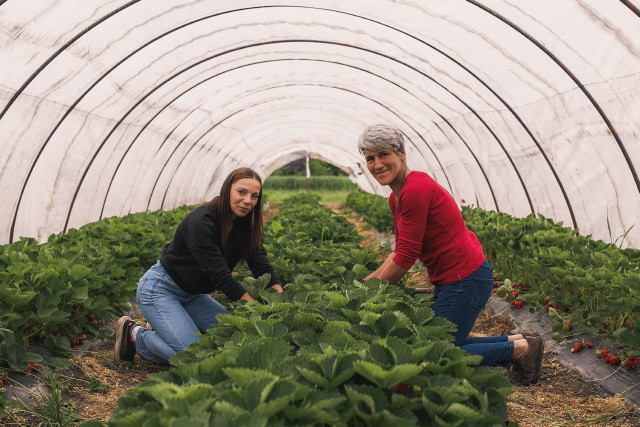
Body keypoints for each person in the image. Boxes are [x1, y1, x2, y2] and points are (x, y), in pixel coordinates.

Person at [357, 124, 543, 385]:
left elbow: (406, 258)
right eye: (370, 158)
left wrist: (370, 291)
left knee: (434, 352)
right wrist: (368, 283)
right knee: (441, 341)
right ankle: (521, 341)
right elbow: (401, 250)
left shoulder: (415, 189)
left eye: (383, 154)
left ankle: (522, 351)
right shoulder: (397, 197)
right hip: (456, 279)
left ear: (402, 153)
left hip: (464, 279)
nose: (377, 164)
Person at [114, 167, 282, 364]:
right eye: (241, 192)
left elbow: (263, 268)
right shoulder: (202, 221)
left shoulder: (246, 227)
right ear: (227, 189)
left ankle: (165, 327)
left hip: (194, 295)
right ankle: (135, 334)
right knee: (194, 356)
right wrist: (255, 309)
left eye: (254, 196)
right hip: (160, 290)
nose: (248, 201)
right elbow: (220, 276)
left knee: (230, 338)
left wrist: (281, 302)